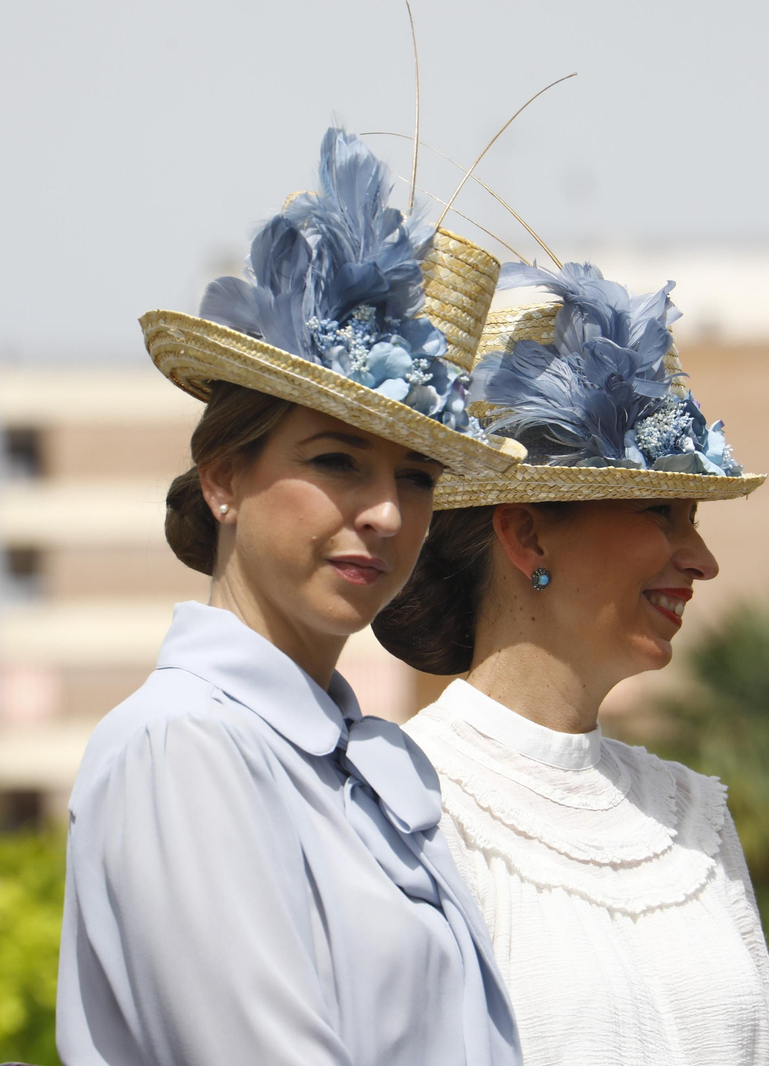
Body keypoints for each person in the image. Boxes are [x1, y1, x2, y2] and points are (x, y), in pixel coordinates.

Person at [56, 127, 527, 1066]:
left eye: (419, 477)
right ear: (224, 478)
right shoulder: (183, 746)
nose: (388, 513)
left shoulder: (365, 761)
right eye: (337, 462)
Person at [373, 262, 769, 1065]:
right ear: (528, 534)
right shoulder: (407, 801)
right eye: (660, 513)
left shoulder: (689, 812)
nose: (701, 559)